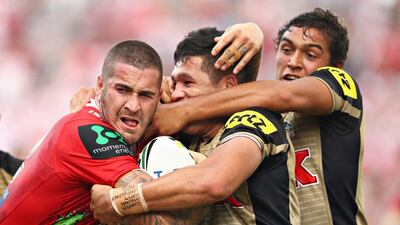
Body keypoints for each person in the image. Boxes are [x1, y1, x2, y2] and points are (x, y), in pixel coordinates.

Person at [150, 8, 367, 225]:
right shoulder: (262, 111)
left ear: (337, 66)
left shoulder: (340, 88)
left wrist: (183, 111)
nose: (293, 61)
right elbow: (238, 94)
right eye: (286, 50)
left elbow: (282, 94)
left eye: (310, 55)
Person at [91, 27, 300, 225]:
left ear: (228, 86)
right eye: (174, 83)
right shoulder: (189, 136)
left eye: (188, 83)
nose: (177, 93)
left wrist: (120, 201)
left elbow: (213, 182)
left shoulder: (253, 120)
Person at [0, 40, 202, 225]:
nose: (133, 105)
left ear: (158, 96)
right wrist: (206, 169)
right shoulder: (88, 134)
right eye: (122, 90)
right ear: (100, 86)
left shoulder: (129, 126)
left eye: (145, 95)